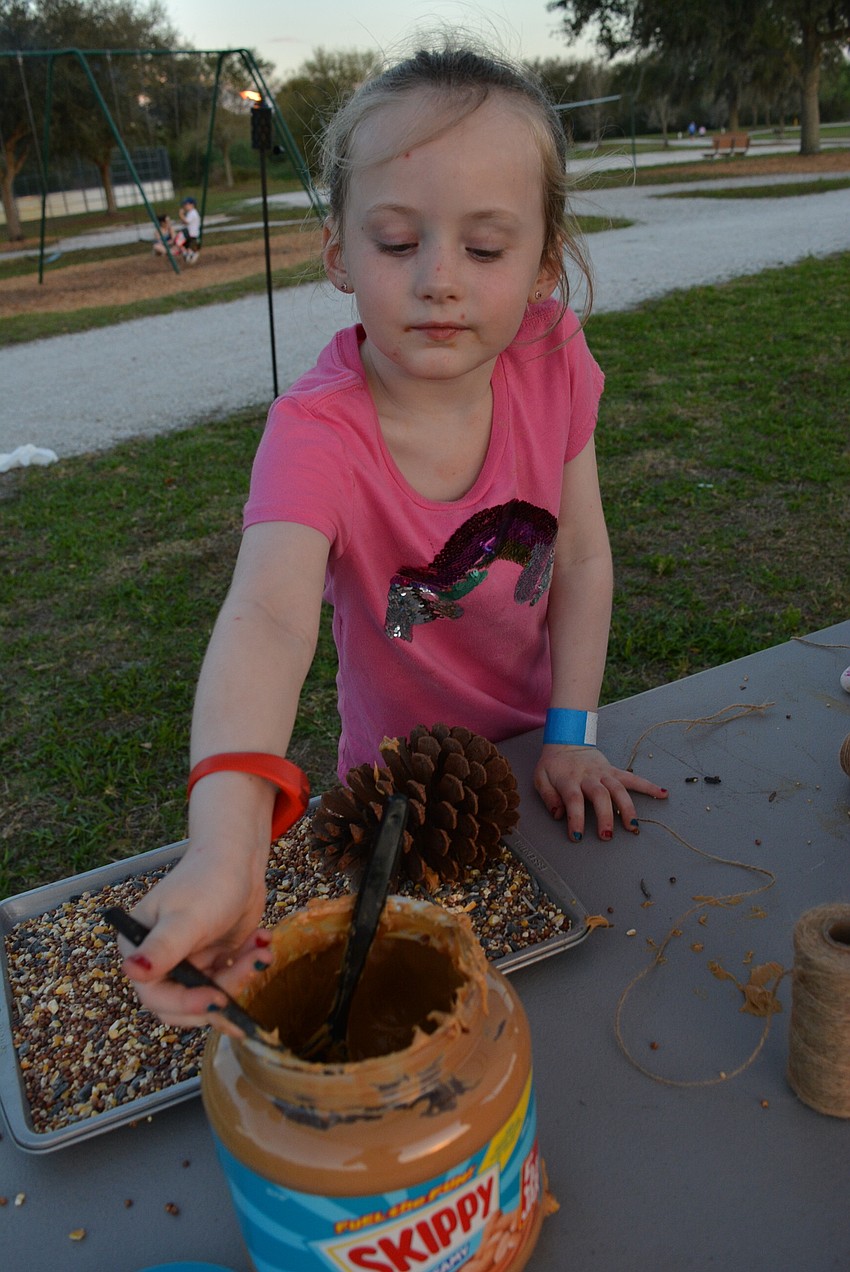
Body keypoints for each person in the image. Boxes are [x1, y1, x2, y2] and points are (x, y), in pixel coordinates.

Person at [121, 43, 668, 1031]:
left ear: (545, 263)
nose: (440, 281)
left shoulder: (552, 356)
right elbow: (266, 622)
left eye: (486, 249)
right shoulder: (314, 433)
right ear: (339, 253)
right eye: (396, 241)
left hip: (545, 764)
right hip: (397, 801)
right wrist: (226, 846)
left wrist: (573, 730)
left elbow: (581, 556)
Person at [179, 195, 201, 263]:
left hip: (192, 234)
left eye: (186, 204)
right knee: (185, 246)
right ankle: (188, 255)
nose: (184, 206)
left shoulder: (193, 213)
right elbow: (185, 222)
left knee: (190, 246)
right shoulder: (190, 213)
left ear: (192, 204)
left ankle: (191, 255)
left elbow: (186, 221)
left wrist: (181, 214)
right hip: (190, 233)